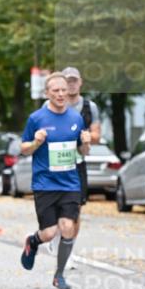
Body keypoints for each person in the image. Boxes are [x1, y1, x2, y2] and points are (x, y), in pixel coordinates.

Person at [18, 72, 91, 289]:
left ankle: (59, 276)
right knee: (49, 232)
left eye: (63, 90)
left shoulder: (76, 119)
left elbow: (82, 151)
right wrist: (36, 142)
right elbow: (23, 149)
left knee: (67, 227)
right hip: (45, 183)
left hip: (70, 183)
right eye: (55, 91)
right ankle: (33, 241)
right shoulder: (37, 118)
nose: (61, 94)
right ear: (47, 93)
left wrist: (86, 144)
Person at [45, 66, 101, 264]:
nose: (70, 84)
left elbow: (97, 135)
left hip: (76, 163)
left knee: (75, 210)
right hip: (54, 162)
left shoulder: (89, 107)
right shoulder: (49, 105)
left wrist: (87, 137)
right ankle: (56, 236)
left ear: (80, 82)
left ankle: (67, 251)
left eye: (74, 80)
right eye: (67, 80)